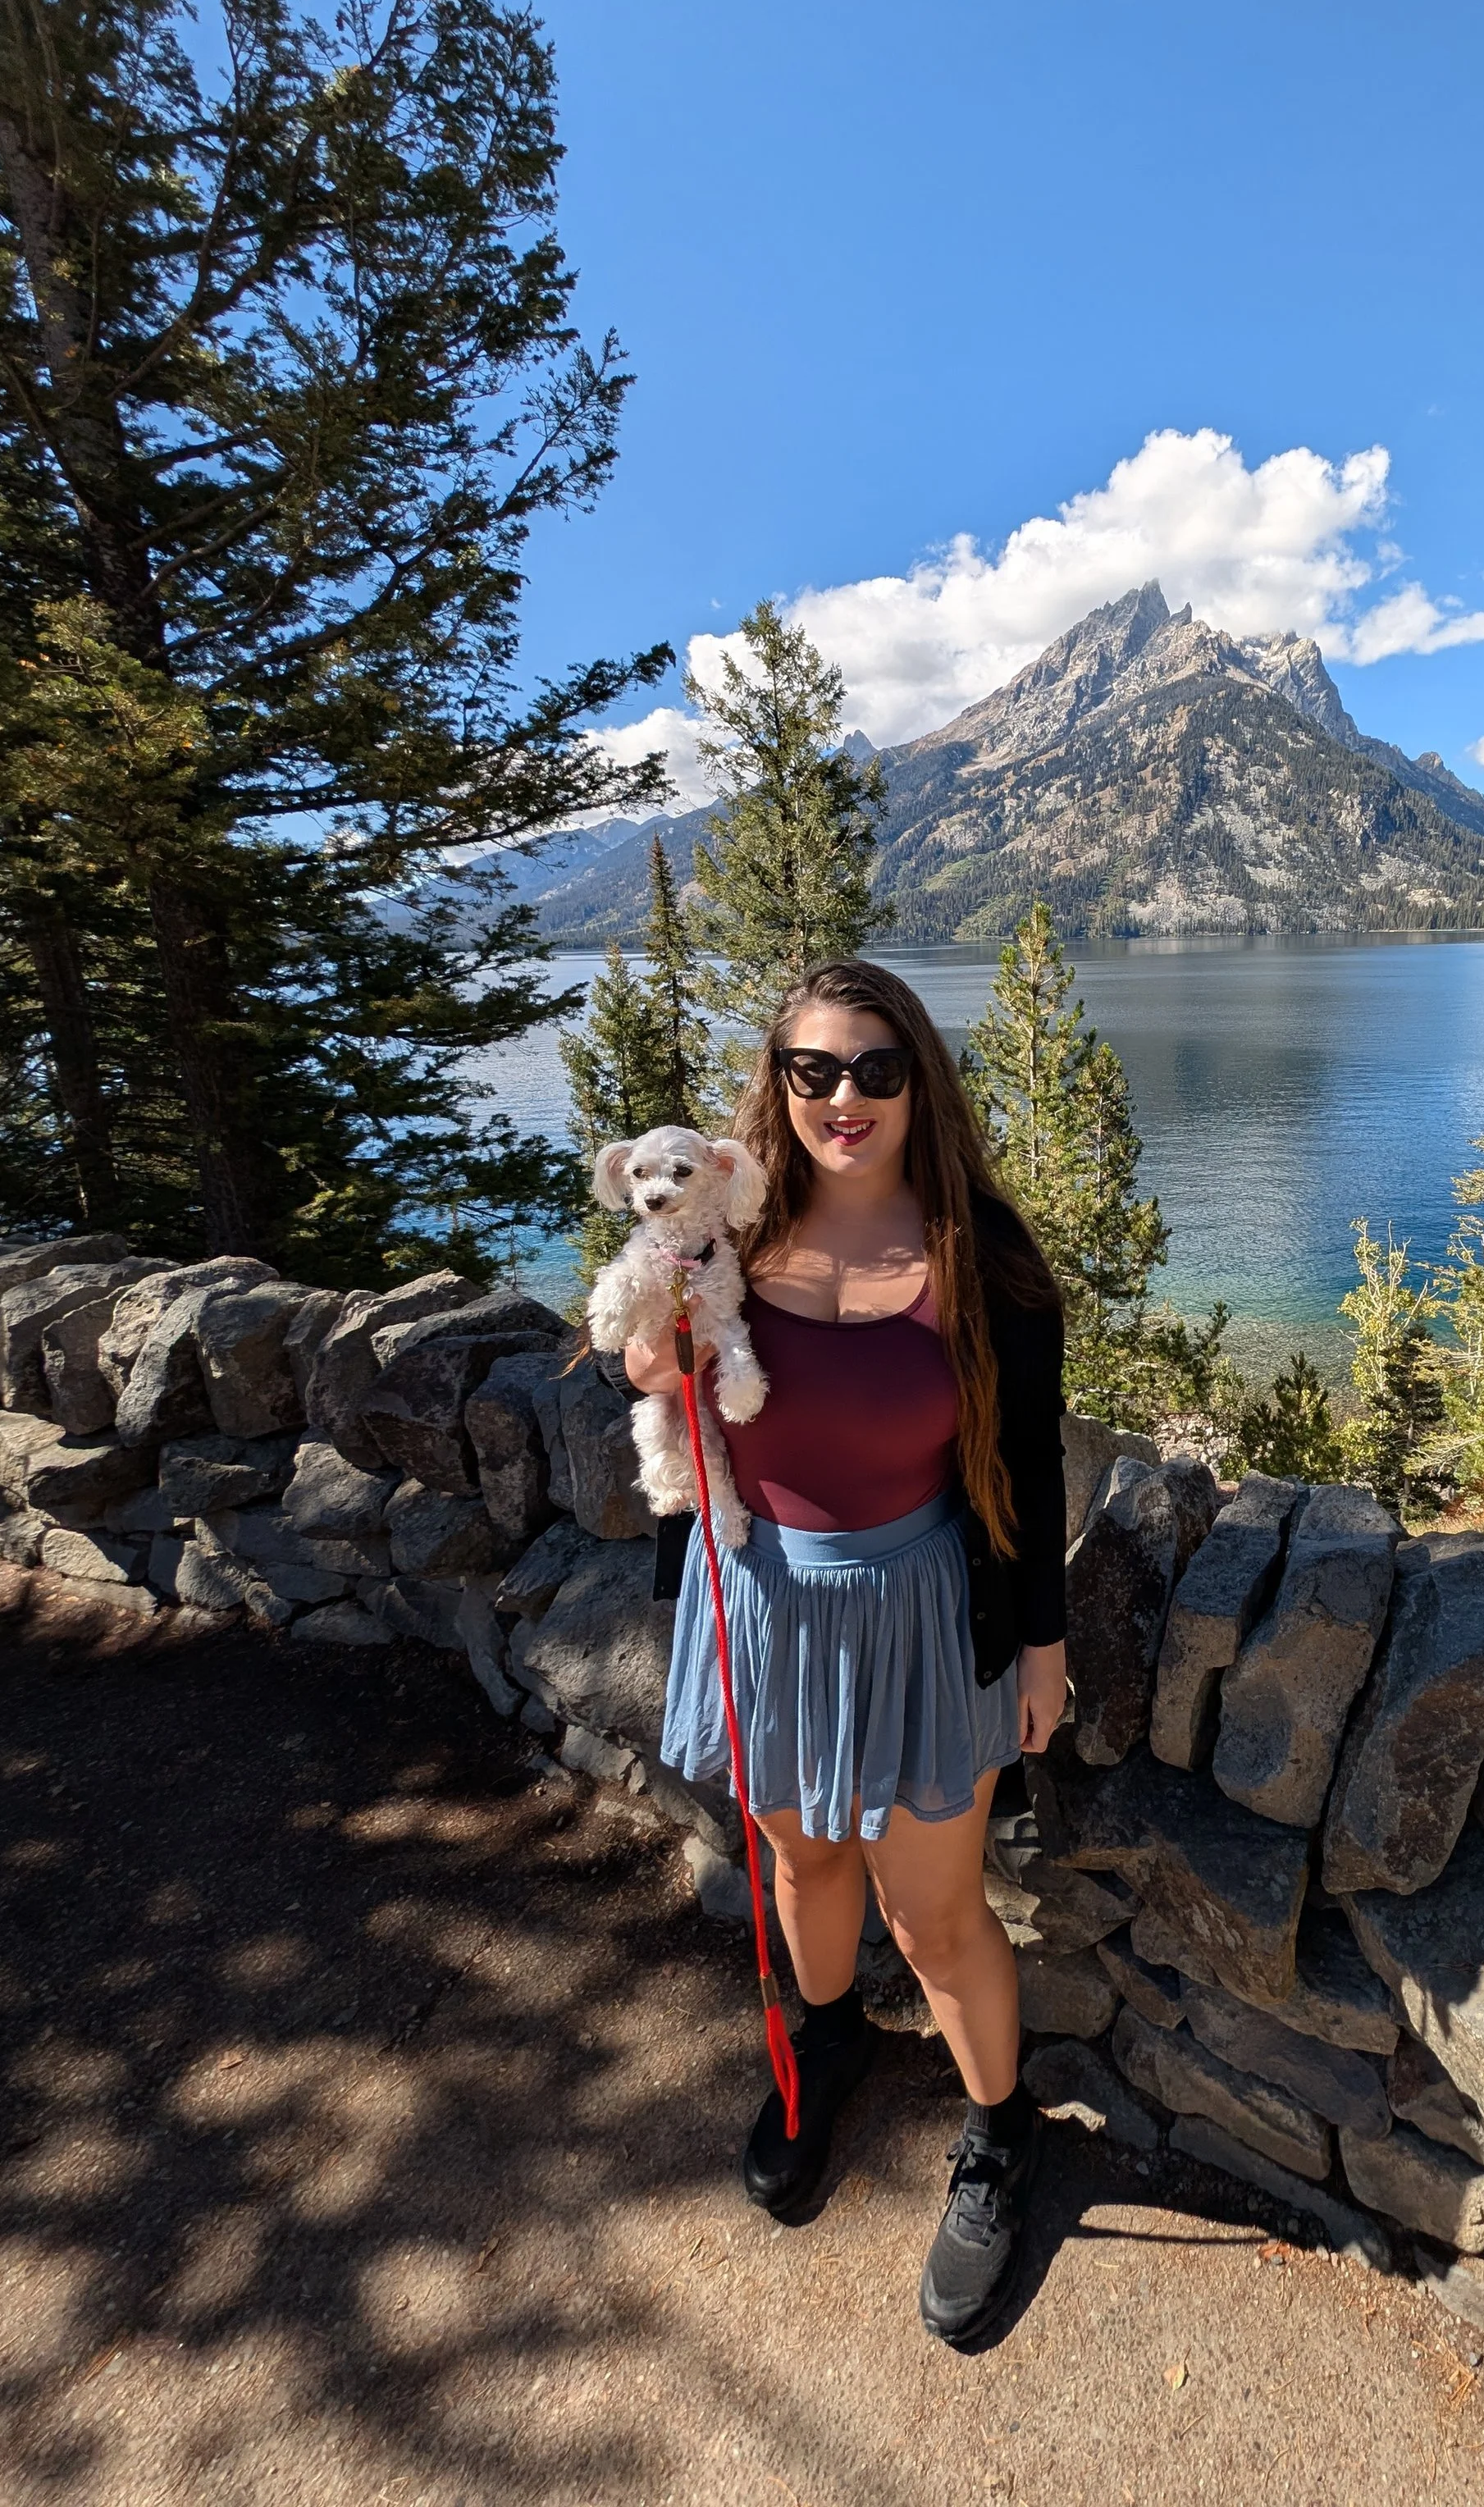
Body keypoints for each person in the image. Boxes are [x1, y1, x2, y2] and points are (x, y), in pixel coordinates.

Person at [628, 954, 1069, 2346]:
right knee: (805, 1858)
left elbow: (1034, 1459)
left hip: (929, 1610)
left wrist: (1043, 1645)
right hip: (761, 1599)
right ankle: (825, 2048)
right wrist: (648, 1361)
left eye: (875, 1068)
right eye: (811, 1071)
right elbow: (656, 1375)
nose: (843, 1097)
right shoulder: (721, 1240)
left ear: (917, 1081)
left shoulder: (976, 1253)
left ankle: (999, 2138)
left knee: (933, 1913)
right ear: (778, 1087)